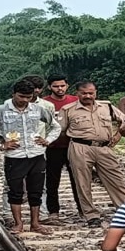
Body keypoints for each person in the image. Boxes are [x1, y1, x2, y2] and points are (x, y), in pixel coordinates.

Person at [0, 80, 62, 234]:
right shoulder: (1, 110)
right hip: (15, 156)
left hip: (36, 154)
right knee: (15, 191)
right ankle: (18, 223)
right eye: (21, 96)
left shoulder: (38, 109)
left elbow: (56, 126)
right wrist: (0, 145)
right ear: (13, 94)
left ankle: (35, 223)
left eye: (28, 97)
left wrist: (47, 140)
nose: (24, 100)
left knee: (36, 190)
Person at [61, 81, 125, 227]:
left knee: (117, 180)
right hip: (80, 147)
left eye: (91, 93)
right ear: (77, 94)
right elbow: (59, 130)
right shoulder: (68, 109)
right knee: (82, 182)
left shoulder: (107, 107)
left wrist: (117, 137)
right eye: (84, 93)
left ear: (95, 93)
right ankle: (91, 215)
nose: (88, 96)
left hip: (105, 148)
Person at [41, 74, 81, 223]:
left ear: (67, 86)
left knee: (78, 179)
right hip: (52, 147)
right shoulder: (44, 103)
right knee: (52, 180)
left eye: (62, 86)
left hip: (73, 146)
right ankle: (53, 211)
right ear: (50, 87)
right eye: (56, 86)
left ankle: (83, 209)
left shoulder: (75, 101)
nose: (60, 89)